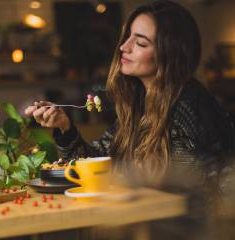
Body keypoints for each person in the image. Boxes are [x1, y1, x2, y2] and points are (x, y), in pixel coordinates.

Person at [25, 0, 235, 196]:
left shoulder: (187, 106)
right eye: (128, 36)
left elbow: (189, 193)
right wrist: (65, 128)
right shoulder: (142, 102)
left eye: (141, 43)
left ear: (169, 55)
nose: (124, 47)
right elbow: (98, 164)